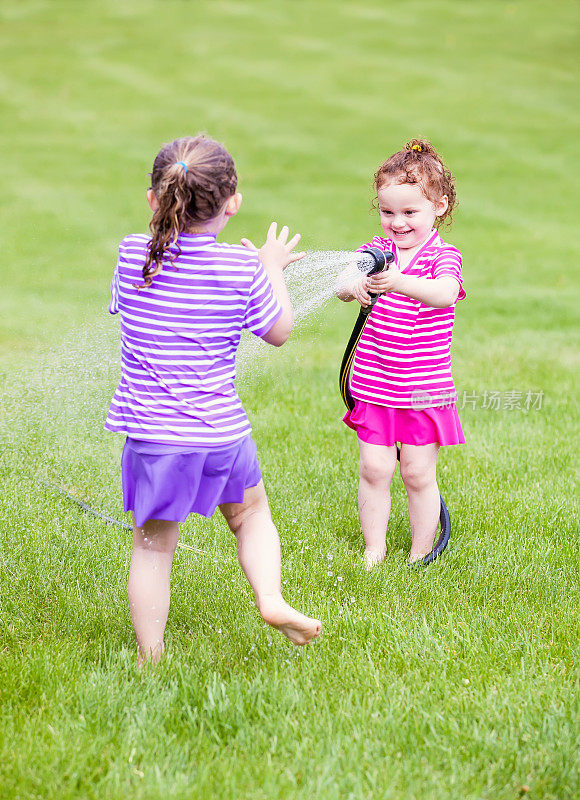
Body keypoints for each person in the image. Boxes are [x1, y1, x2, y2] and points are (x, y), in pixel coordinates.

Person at [106, 134, 322, 665]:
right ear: (233, 204)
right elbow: (279, 331)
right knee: (251, 517)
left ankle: (150, 656)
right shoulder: (240, 269)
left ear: (155, 199)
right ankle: (270, 600)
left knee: (154, 546)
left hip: (155, 437)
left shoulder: (133, 254)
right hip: (222, 435)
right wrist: (271, 266)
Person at [335, 138, 466, 568]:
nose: (398, 222)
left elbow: (445, 294)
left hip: (422, 390)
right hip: (375, 385)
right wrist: (351, 285)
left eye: (410, 212)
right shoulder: (377, 251)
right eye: (388, 211)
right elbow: (341, 282)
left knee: (416, 472)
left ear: (439, 207)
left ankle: (420, 551)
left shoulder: (442, 257)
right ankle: (374, 548)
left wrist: (399, 283)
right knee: (375, 469)